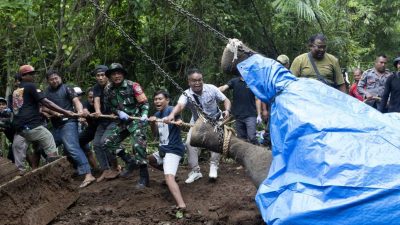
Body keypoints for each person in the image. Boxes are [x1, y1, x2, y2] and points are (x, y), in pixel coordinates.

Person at [164, 68, 231, 183]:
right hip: (197, 122)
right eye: (194, 81)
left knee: (216, 141)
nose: (197, 83)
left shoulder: (211, 89)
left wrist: (227, 111)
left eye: (200, 80)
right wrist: (171, 115)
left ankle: (214, 166)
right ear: (189, 82)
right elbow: (180, 106)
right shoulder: (186, 94)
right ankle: (195, 171)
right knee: (190, 143)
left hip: (215, 119)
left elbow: (226, 100)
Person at [12, 65, 74, 165]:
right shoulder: (30, 86)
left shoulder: (17, 90)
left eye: (34, 73)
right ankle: (55, 168)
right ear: (23, 76)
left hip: (20, 128)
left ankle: (26, 170)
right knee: (48, 137)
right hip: (31, 125)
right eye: (31, 74)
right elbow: (46, 103)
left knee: (36, 147)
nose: (34, 76)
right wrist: (65, 112)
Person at [44, 70, 96, 188]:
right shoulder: (46, 93)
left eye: (56, 78)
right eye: (51, 79)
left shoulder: (67, 88)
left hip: (69, 122)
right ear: (48, 81)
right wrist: (53, 112)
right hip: (56, 126)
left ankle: (88, 174)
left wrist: (79, 111)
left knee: (71, 146)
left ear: (60, 78)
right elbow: (44, 107)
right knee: (44, 147)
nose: (54, 81)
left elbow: (76, 101)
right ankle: (56, 175)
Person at [103, 63, 150, 189]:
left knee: (138, 145)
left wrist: (144, 115)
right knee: (107, 142)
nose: (117, 76)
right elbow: (109, 106)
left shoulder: (133, 86)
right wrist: (118, 112)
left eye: (119, 73)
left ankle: (144, 176)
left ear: (123, 74)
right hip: (122, 121)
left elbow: (144, 103)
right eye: (113, 74)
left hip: (136, 120)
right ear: (110, 77)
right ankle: (130, 161)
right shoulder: (108, 89)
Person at [148, 90, 186, 210]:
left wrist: (178, 122)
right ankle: (172, 176)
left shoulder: (170, 110)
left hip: (173, 149)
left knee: (168, 177)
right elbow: (155, 134)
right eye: (155, 99)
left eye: (160, 99)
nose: (157, 101)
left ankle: (181, 205)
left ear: (167, 100)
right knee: (151, 159)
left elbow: (178, 118)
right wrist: (152, 123)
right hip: (163, 149)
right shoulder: (157, 114)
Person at [86, 65, 120, 182]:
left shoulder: (113, 86)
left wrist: (116, 113)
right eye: (98, 76)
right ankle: (105, 170)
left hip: (114, 119)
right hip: (103, 120)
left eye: (103, 75)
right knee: (96, 144)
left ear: (107, 76)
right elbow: (96, 100)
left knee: (105, 142)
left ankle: (115, 167)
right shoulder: (96, 88)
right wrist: (98, 111)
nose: (100, 78)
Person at [219, 76, 261, 145]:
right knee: (241, 139)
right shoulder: (234, 81)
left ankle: (259, 153)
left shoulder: (252, 81)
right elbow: (223, 88)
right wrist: (212, 90)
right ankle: (246, 154)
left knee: (252, 137)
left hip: (250, 115)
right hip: (238, 116)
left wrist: (259, 115)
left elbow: (257, 99)